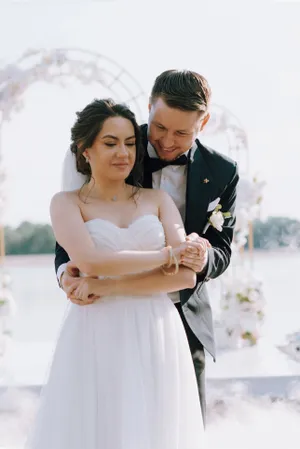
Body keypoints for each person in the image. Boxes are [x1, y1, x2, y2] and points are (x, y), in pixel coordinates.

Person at [56, 69, 239, 425]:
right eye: (159, 128)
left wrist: (202, 257)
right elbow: (76, 227)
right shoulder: (115, 144)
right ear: (149, 108)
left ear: (204, 123)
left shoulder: (222, 171)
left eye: (182, 133)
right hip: (102, 315)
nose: (167, 142)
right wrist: (66, 274)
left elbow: (223, 248)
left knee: (178, 429)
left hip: (179, 320)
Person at [26, 98, 207, 449]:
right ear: (85, 149)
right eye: (110, 143)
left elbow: (185, 277)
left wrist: (109, 287)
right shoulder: (66, 203)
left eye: (129, 143)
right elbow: (90, 261)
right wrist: (167, 254)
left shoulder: (157, 200)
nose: (123, 153)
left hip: (157, 327)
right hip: (95, 329)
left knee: (156, 427)